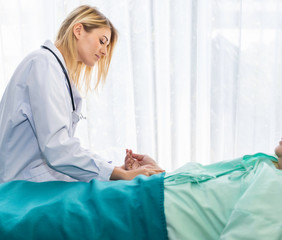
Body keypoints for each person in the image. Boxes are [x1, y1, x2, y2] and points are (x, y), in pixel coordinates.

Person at [0, 96, 282, 240]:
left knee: (26, 219)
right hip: (144, 196)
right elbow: (209, 202)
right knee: (24, 196)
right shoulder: (273, 168)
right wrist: (162, 174)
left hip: (140, 219)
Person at [0, 5, 163, 183]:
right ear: (78, 30)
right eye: (102, 41)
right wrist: (117, 174)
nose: (105, 52)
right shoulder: (43, 64)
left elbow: (65, 147)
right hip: (21, 185)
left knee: (117, 188)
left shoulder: (56, 72)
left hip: (36, 179)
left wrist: (114, 170)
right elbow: (57, 148)